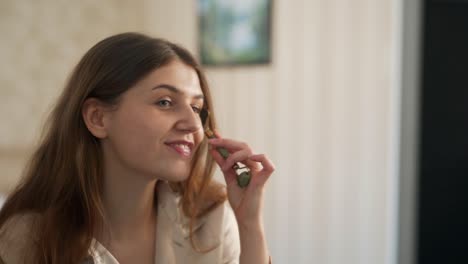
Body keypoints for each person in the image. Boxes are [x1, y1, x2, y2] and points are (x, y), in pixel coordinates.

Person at [0, 32, 274, 263]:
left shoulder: (211, 220)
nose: (193, 124)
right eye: (165, 102)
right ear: (98, 118)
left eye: (197, 108)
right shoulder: (28, 240)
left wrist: (249, 225)